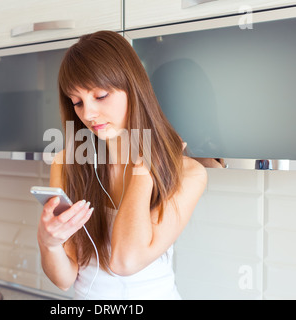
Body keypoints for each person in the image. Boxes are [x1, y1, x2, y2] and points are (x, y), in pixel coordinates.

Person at [37, 30, 207, 300]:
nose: (88, 114)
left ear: (133, 87)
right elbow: (64, 279)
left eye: (101, 95)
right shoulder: (67, 164)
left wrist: (144, 169)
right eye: (78, 102)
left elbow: (125, 261)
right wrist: (49, 243)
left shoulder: (187, 173)